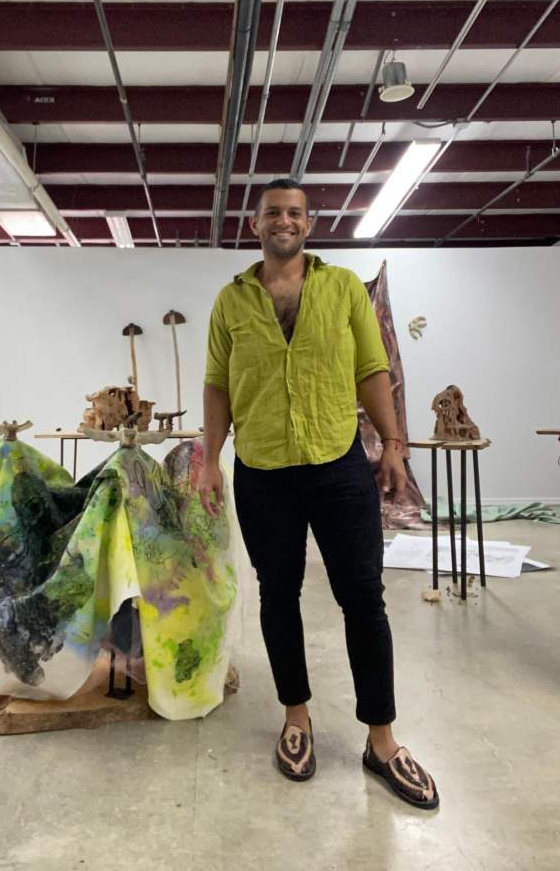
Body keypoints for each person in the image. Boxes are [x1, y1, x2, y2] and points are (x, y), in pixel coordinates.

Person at [199, 178, 438, 809]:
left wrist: (393, 444)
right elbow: (218, 385)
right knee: (279, 597)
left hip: (338, 466)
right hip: (263, 472)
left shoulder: (341, 290)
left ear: (310, 223)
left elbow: (371, 369)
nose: (284, 220)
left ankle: (381, 740)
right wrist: (208, 462)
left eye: (295, 212)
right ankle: (296, 718)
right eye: (273, 212)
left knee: (363, 596)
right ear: (256, 225)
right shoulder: (231, 302)